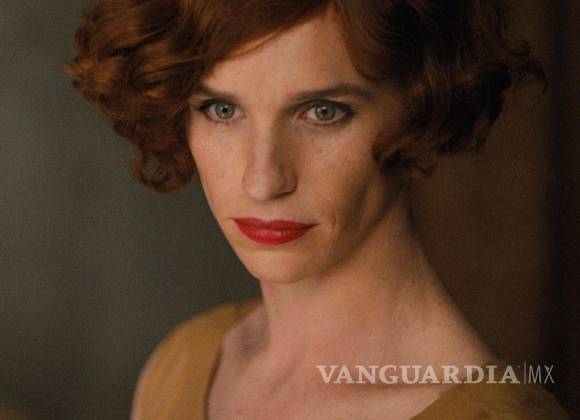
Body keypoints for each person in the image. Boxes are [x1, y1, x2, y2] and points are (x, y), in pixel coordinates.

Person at [66, 0, 569, 418]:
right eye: (222, 110)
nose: (263, 181)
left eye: (323, 113)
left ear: (423, 106)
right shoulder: (184, 362)